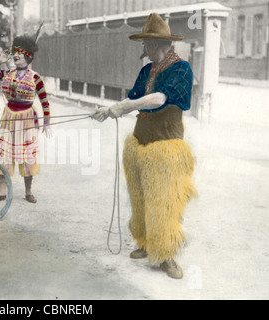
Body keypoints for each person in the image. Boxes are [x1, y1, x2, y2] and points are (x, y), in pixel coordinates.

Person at [92, 13, 197, 279]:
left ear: (157, 44)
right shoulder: (146, 70)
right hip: (140, 143)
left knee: (164, 202)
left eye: (146, 45)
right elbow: (133, 98)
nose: (143, 50)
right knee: (140, 198)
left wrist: (124, 106)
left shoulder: (181, 69)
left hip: (166, 147)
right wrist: (108, 110)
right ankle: (145, 242)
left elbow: (158, 99)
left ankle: (167, 255)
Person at [0, 35, 51, 204]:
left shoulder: (35, 78)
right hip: (8, 117)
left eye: (19, 53)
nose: (16, 56)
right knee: (5, 153)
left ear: (28, 56)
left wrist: (47, 123)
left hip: (27, 118)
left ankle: (28, 192)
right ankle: (2, 192)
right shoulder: (6, 73)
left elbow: (44, 101)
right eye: (15, 53)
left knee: (28, 154)